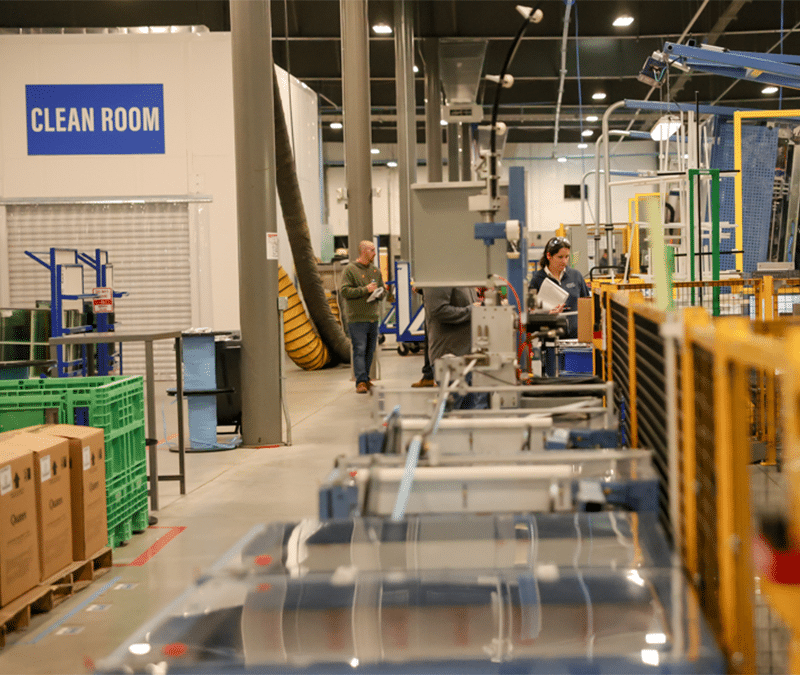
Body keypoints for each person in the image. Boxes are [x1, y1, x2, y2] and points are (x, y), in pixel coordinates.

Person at [422, 286, 487, 409]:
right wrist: (472, 310)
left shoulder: (461, 276)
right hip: (450, 356)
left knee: (469, 417)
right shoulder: (439, 276)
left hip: (468, 356)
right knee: (450, 415)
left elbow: (473, 306)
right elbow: (438, 310)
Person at [340, 240, 386, 393]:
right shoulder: (350, 270)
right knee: (359, 349)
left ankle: (366, 379)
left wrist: (380, 293)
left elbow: (382, 290)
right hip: (357, 318)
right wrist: (365, 290)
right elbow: (345, 291)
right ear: (364, 251)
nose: (374, 253)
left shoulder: (375, 271)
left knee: (370, 350)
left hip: (372, 317)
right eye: (372, 250)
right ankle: (360, 381)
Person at [530, 236, 590, 340]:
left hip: (575, 340)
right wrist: (548, 316)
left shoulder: (576, 276)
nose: (565, 261)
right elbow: (531, 314)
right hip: (550, 340)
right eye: (560, 257)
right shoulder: (537, 279)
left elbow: (587, 306)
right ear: (549, 255)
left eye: (567, 257)